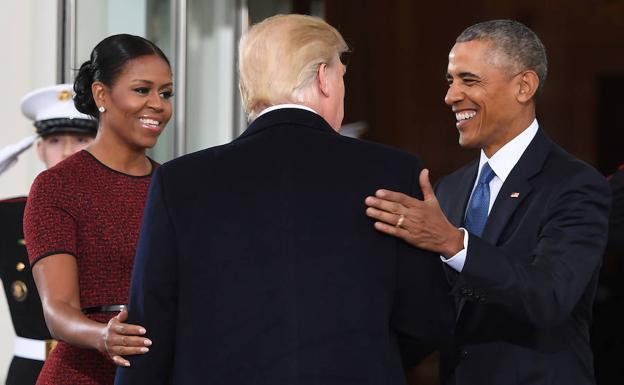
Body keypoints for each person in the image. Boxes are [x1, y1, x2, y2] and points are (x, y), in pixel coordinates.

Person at [115, 14, 453, 385]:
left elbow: (149, 330)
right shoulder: (392, 172)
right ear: (323, 77)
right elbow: (425, 320)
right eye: (342, 76)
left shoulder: (179, 181)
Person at [365, 19, 610, 385]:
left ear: (524, 86)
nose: (451, 96)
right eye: (451, 81)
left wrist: (454, 243)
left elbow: (550, 296)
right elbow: (432, 316)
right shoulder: (448, 190)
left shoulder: (575, 184)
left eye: (469, 80)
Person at [23, 34, 173, 385]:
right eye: (142, 90)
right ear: (101, 95)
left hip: (161, 373)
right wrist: (102, 335)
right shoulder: (58, 187)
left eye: (165, 93)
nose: (157, 104)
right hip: (82, 376)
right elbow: (57, 309)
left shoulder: (175, 186)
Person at [0, 83, 97, 385]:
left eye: (81, 139)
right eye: (55, 140)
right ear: (39, 148)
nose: (67, 151)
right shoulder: (10, 215)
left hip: (97, 369)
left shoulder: (119, 209)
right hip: (30, 372)